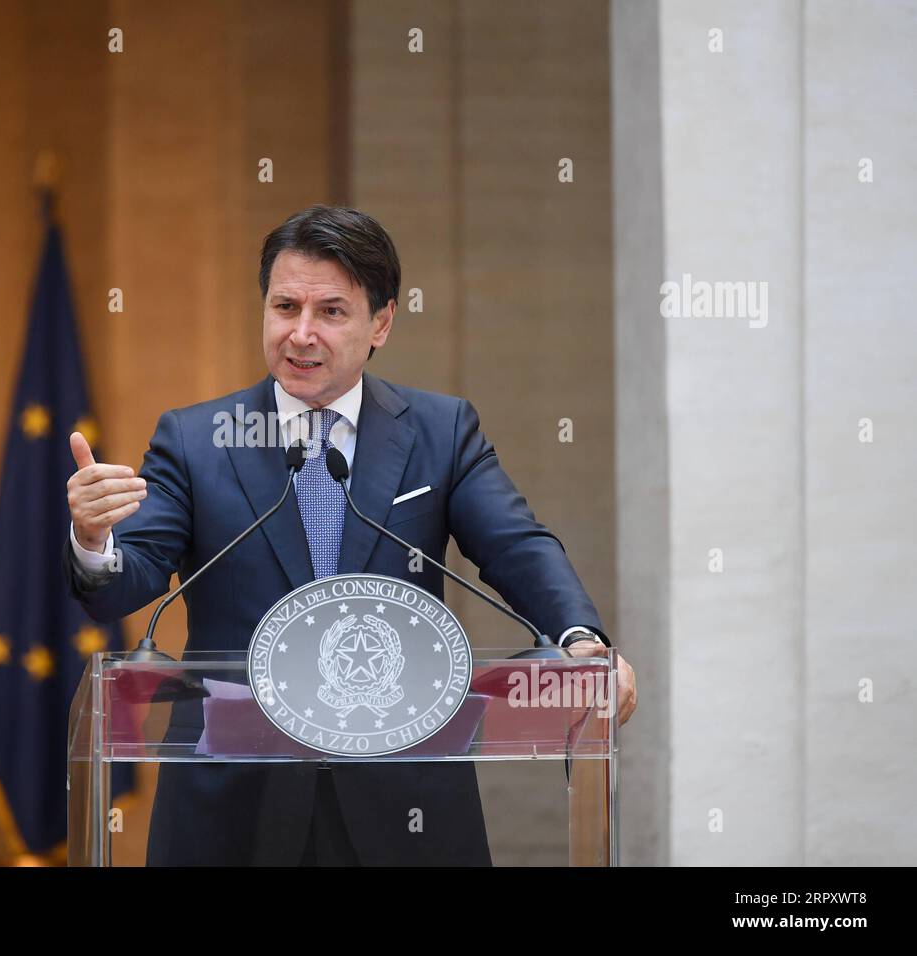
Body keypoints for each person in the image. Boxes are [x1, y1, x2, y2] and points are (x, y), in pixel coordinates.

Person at [63, 205, 637, 865]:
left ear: (381, 323)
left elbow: (516, 546)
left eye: (331, 312)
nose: (301, 334)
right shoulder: (197, 440)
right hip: (235, 804)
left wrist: (579, 639)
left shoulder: (439, 432)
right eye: (285, 307)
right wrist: (92, 537)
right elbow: (121, 586)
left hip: (403, 800)